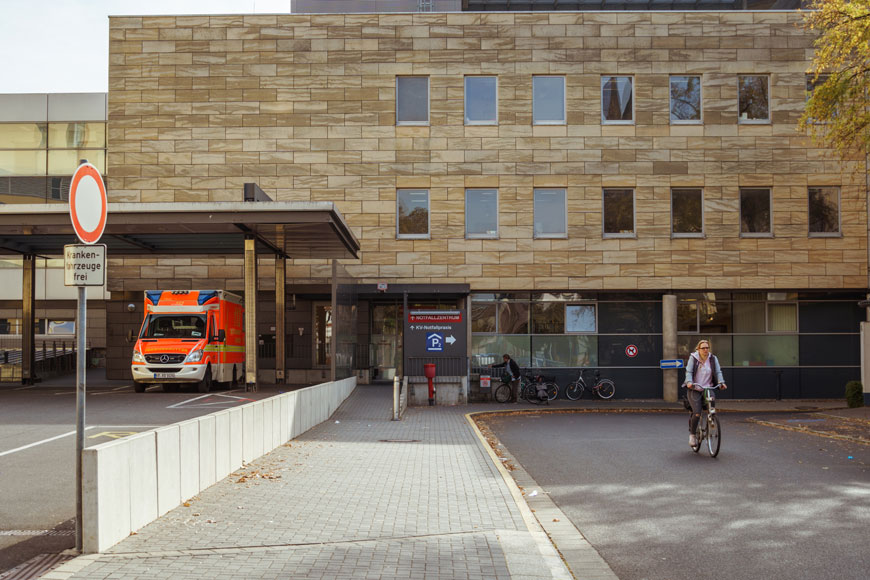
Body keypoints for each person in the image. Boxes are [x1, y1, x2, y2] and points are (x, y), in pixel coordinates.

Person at [683, 339, 727, 447]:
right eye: (703, 348)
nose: (705, 350)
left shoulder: (713, 358)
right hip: (695, 389)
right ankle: (693, 435)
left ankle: (710, 423)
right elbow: (688, 372)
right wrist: (689, 382)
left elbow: (718, 371)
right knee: (697, 413)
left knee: (711, 409)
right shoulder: (694, 358)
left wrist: (721, 382)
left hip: (708, 388)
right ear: (698, 349)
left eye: (707, 348)